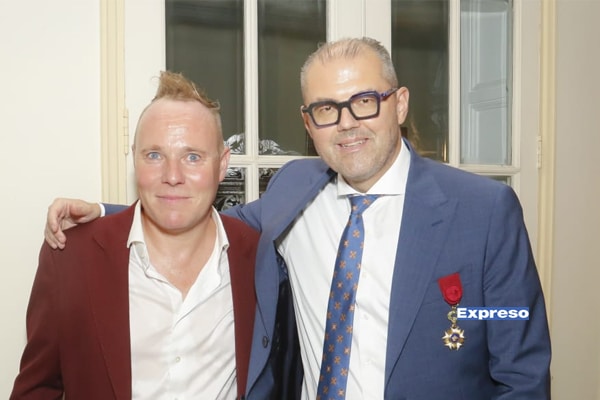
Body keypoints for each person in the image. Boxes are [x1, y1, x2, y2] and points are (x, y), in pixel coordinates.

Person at [43, 37, 551, 399]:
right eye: (327, 109)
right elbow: (208, 217)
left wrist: (465, 317)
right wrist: (106, 215)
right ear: (308, 123)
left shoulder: (484, 212)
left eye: (364, 102)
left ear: (399, 105)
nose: (346, 123)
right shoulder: (294, 189)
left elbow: (522, 374)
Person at [12, 71, 301, 399]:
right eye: (154, 155)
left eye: (192, 157)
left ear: (222, 165)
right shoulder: (70, 257)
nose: (172, 176)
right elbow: (37, 389)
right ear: (135, 158)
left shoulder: (260, 258)